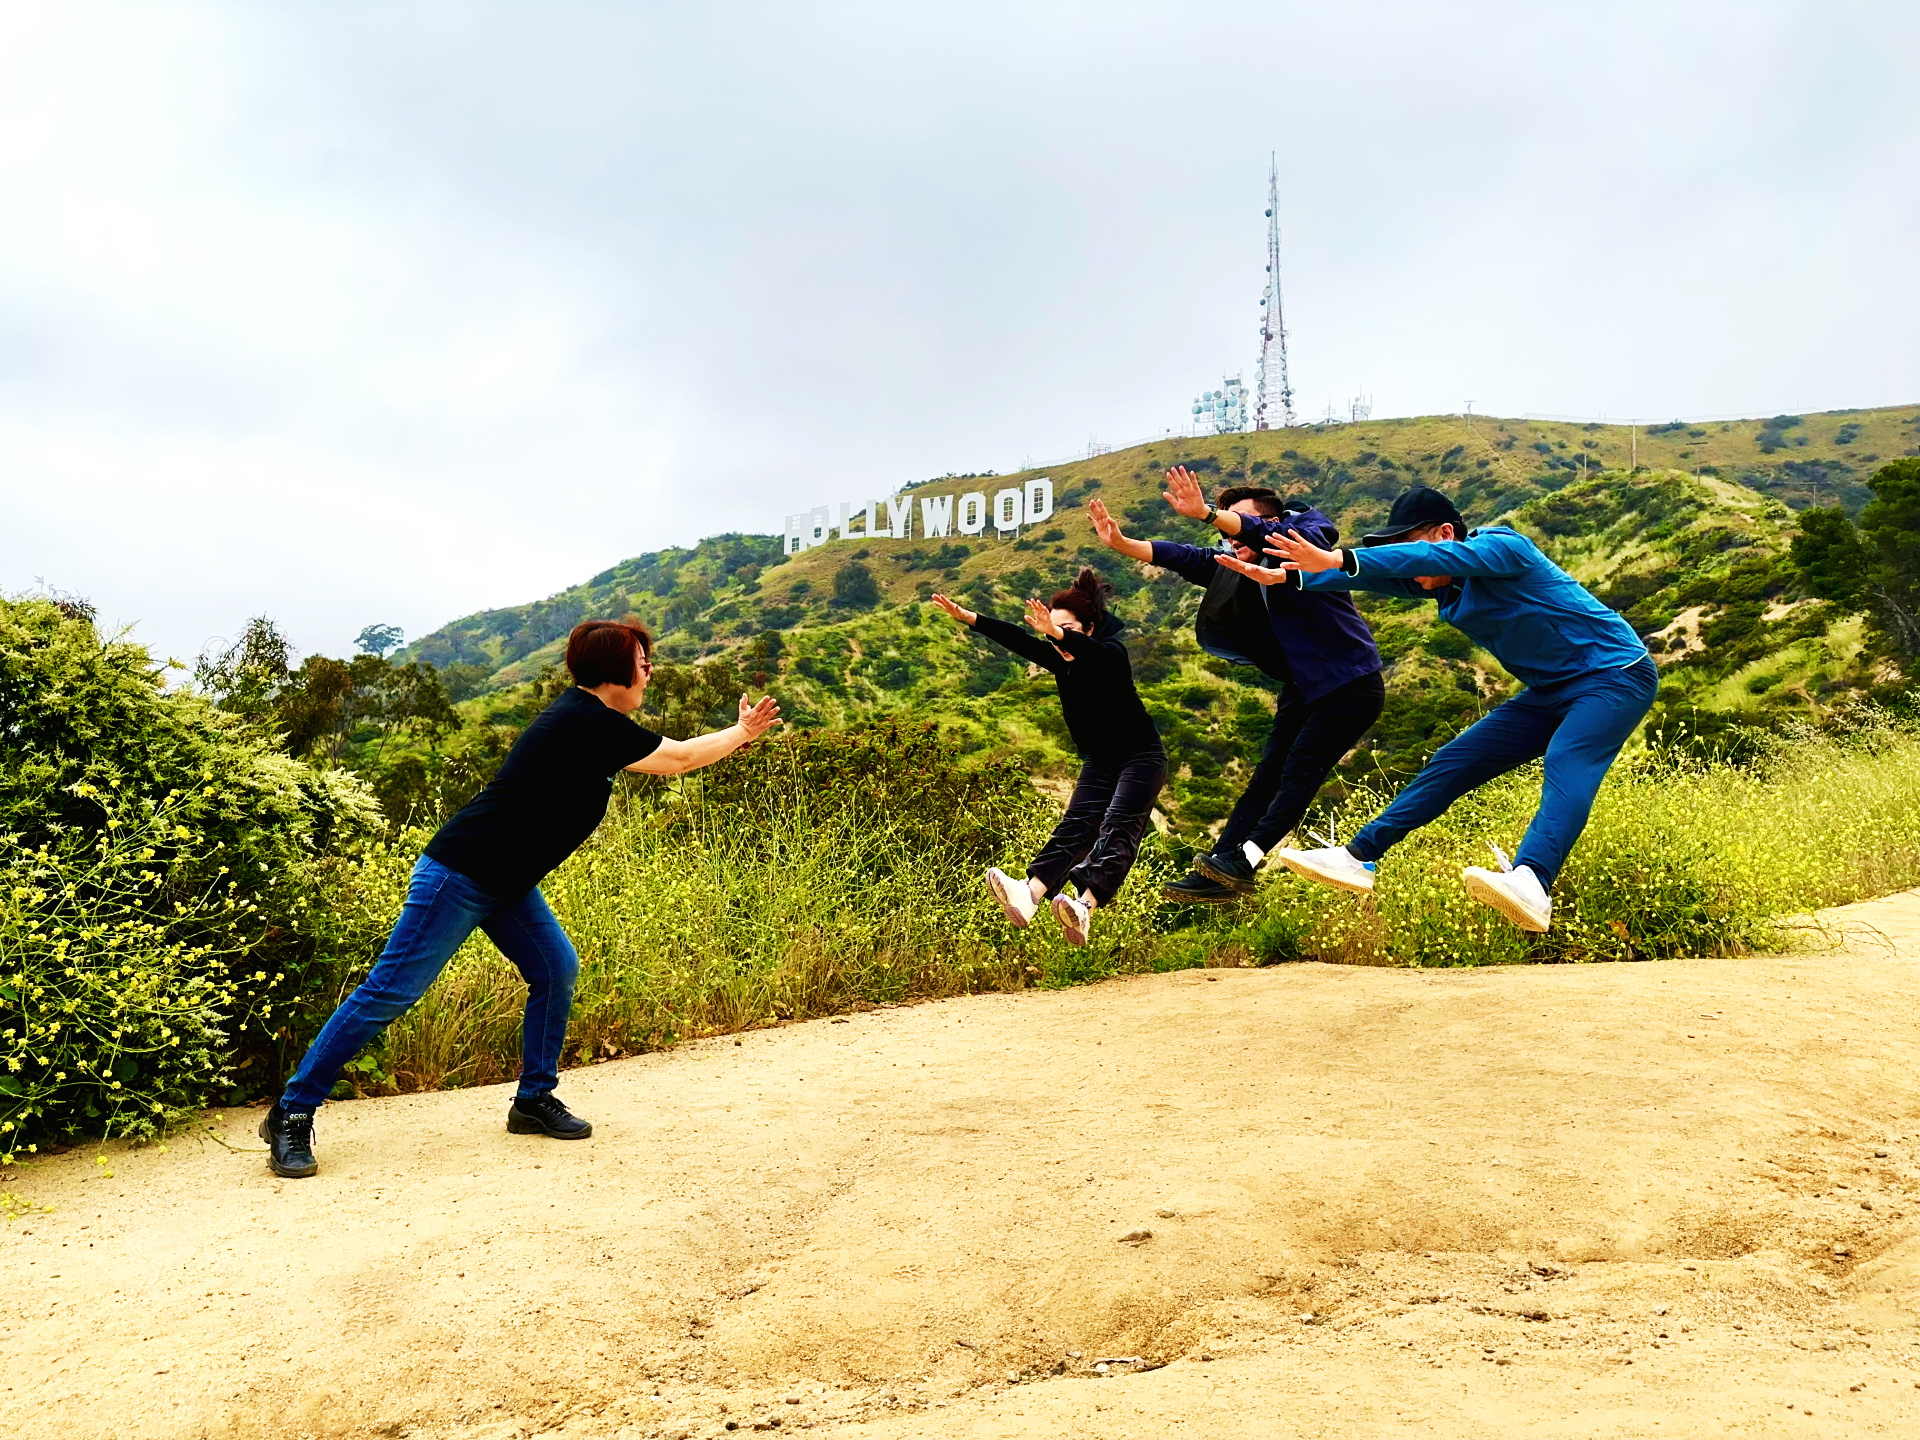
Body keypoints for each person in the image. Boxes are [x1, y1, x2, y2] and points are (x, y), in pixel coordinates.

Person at [259, 619, 781, 1179]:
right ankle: (291, 1112)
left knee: (555, 969)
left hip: (506, 882)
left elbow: (666, 757)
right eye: (642, 660)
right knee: (389, 993)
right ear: (614, 669)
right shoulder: (588, 720)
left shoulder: (595, 722)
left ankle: (533, 1100)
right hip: (459, 874)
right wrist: (744, 732)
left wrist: (740, 732)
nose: (650, 670)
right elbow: (678, 758)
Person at [1216, 484, 1657, 933]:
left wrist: (1338, 557)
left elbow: (1422, 562)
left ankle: (1533, 881)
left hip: (1615, 675)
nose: (1413, 570)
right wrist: (1294, 576)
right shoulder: (1447, 589)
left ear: (1446, 533)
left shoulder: (1505, 549)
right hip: (1550, 691)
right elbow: (1380, 575)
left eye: (1409, 544)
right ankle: (1358, 857)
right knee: (1453, 762)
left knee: (1567, 760)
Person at [1089, 466, 1384, 903]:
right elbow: (1183, 555)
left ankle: (1243, 861)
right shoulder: (1234, 561)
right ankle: (1222, 867)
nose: (1233, 539)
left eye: (1239, 525)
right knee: (1265, 778)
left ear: (1271, 519)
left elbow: (1273, 534)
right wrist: (1121, 543)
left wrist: (1209, 513)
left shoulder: (1305, 534)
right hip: (1304, 687)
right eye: (1228, 532)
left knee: (1299, 770)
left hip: (1351, 682)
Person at [930, 570, 1164, 947]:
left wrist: (1055, 632)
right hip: (1100, 760)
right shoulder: (1062, 662)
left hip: (1141, 756)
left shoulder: (1111, 653)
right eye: (1051, 631)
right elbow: (1017, 639)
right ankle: (1031, 893)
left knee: (1118, 826)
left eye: (1066, 629)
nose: (1056, 639)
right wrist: (969, 618)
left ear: (1089, 628)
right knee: (1077, 826)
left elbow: (1095, 653)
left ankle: (1084, 907)